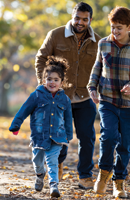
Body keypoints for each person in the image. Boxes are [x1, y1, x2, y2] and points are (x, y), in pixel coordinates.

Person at [35, 2, 101, 189]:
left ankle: (85, 175)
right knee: (59, 136)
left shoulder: (98, 40)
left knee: (87, 137)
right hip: (60, 97)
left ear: (90, 20)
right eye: (77, 18)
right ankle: (58, 165)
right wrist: (44, 84)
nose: (80, 22)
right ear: (72, 16)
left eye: (84, 19)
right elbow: (41, 57)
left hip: (85, 97)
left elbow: (102, 67)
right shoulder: (55, 35)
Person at [9, 56, 73, 198]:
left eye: (56, 80)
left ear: (61, 82)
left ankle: (53, 185)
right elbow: (24, 110)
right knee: (37, 161)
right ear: (44, 80)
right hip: (39, 136)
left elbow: (68, 119)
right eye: (49, 79)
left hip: (57, 137)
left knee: (52, 161)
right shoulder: (37, 95)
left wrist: (69, 135)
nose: (52, 82)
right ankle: (39, 174)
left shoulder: (65, 99)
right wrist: (16, 124)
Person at [87, 6, 130, 198]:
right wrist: (91, 87)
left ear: (129, 27)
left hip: (129, 105)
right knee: (109, 136)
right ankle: (104, 174)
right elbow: (97, 67)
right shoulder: (104, 44)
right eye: (113, 27)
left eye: (119, 27)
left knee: (125, 145)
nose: (115, 31)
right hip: (108, 100)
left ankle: (119, 182)